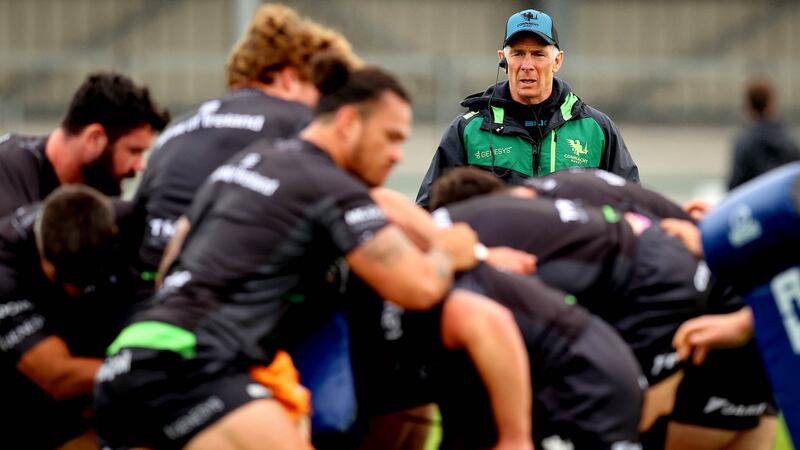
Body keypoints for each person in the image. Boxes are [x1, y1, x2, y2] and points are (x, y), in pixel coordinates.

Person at [94, 66, 534, 450]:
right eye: (391, 137)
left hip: (129, 358)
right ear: (347, 122)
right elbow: (417, 287)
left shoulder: (250, 161)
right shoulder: (330, 184)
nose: (399, 153)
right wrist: (450, 250)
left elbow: (171, 263)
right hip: (193, 369)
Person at [430, 167, 778, 449]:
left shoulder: (541, 223)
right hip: (736, 306)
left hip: (718, 306)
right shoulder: (559, 198)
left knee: (629, 419)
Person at [133, 3, 361, 284]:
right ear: (289, 78)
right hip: (243, 302)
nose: (327, 107)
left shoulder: (178, 127)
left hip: (150, 297)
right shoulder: (302, 122)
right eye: (323, 91)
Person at [415, 8, 639, 208]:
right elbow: (430, 210)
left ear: (557, 61)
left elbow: (632, 206)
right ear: (503, 60)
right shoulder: (469, 130)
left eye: (538, 54)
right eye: (518, 53)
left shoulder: (596, 128)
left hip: (570, 255)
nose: (527, 65)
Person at [0, 185, 140, 449]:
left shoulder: (125, 219)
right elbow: (59, 377)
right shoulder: (4, 268)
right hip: (25, 394)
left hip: (96, 358)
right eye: (63, 275)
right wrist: (154, 370)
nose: (72, 288)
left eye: (83, 275)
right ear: (42, 247)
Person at [0, 72, 170, 217]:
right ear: (94, 138)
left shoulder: (92, 187)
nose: (140, 165)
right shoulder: (9, 168)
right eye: (134, 151)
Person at [727, 77, 800, 190]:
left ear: (748, 106)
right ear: (771, 104)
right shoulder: (788, 139)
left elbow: (735, 185)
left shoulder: (744, 142)